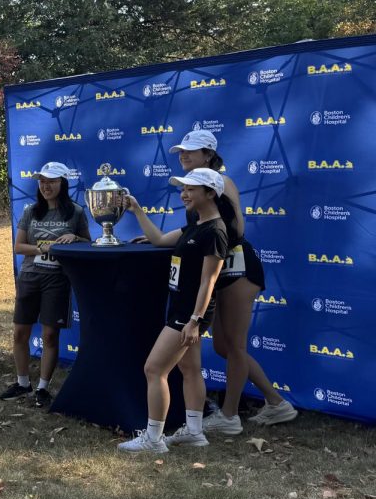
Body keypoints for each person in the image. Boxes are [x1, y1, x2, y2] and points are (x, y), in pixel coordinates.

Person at [168, 130, 296, 433]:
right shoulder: (195, 187)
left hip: (238, 269)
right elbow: (199, 228)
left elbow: (235, 228)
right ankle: (277, 403)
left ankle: (229, 417)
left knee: (234, 346)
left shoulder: (221, 183)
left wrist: (208, 241)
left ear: (209, 155)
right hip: (225, 271)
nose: (183, 156)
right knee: (227, 347)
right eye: (181, 152)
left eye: (191, 151)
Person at [118, 168, 230, 453]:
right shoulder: (195, 225)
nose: (184, 193)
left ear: (211, 193)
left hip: (190, 314)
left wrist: (194, 320)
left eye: (191, 189)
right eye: (183, 188)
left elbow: (210, 280)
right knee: (190, 369)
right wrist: (138, 211)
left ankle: (153, 439)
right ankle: (194, 432)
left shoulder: (215, 231)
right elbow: (157, 240)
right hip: (183, 309)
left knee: (154, 369)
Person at [2, 162, 91, 408]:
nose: (45, 186)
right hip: (30, 276)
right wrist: (43, 247)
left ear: (62, 183)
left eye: (51, 181)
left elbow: (87, 243)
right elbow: (19, 247)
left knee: (50, 335)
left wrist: (75, 237)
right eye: (42, 181)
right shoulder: (31, 211)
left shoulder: (75, 212)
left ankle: (42, 388)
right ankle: (22, 383)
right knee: (21, 332)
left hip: (57, 279)